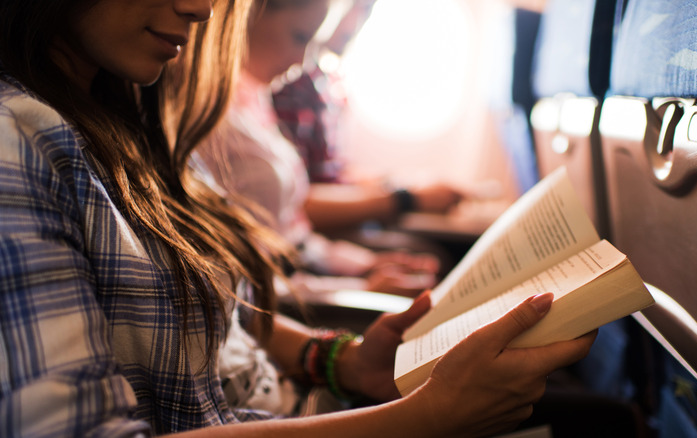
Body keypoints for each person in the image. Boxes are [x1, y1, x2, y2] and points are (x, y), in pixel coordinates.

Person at [0, 1, 596, 437]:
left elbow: (216, 317)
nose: (200, 8)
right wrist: (423, 419)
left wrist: (343, 361)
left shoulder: (131, 127)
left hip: (285, 403)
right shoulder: (17, 140)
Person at [199, 0, 440, 298]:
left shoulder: (254, 98)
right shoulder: (210, 116)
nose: (303, 60)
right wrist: (358, 288)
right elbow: (250, 281)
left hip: (302, 276)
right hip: (280, 299)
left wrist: (365, 266)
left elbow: (296, 239)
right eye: (299, 37)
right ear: (249, 15)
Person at [271, 0, 464, 234]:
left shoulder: (327, 80)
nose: (356, 23)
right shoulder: (286, 79)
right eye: (356, 8)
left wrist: (397, 183)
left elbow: (331, 174)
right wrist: (405, 199)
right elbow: (296, 202)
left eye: (367, 11)